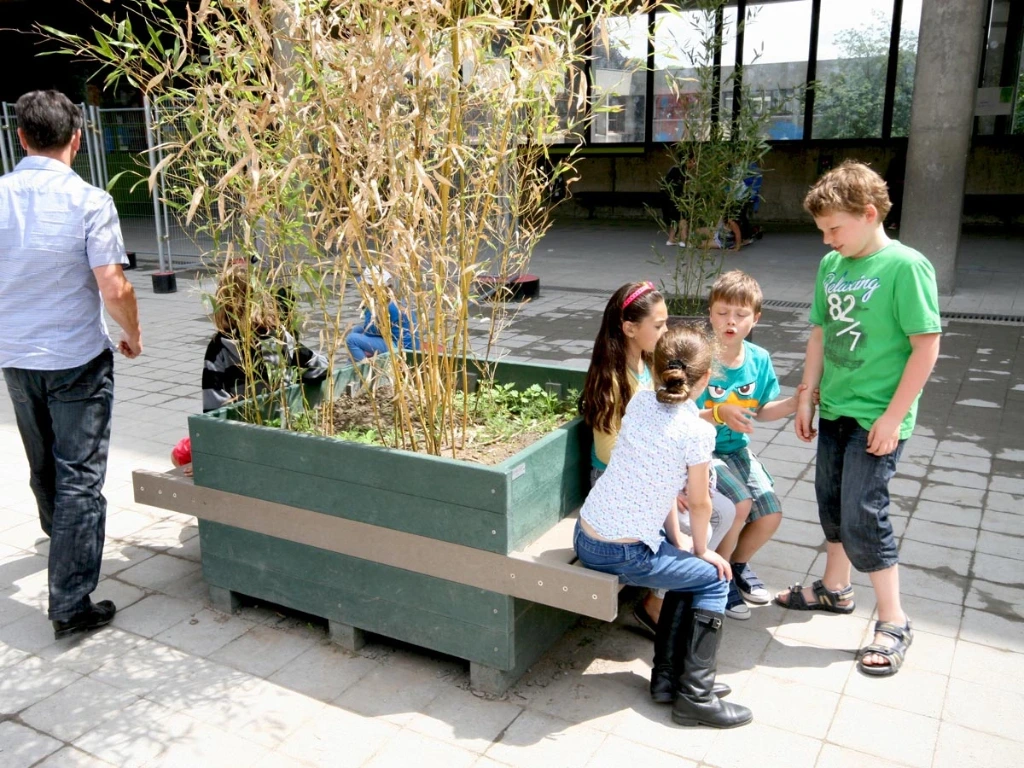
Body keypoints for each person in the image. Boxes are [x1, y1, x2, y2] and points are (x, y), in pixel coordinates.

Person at [779, 161, 941, 678]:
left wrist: (895, 417)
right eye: (823, 232)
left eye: (835, 229)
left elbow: (926, 348)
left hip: (879, 420)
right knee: (830, 502)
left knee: (864, 515)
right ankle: (835, 589)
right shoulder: (833, 267)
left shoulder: (906, 267)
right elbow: (820, 333)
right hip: (835, 410)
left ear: (869, 214)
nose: (828, 241)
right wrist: (807, 394)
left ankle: (894, 620)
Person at [0, 90, 142, 640]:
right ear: (77, 139)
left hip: (16, 357)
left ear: (21, 136)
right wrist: (132, 331)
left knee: (43, 463)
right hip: (77, 359)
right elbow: (112, 284)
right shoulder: (90, 200)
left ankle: (60, 541)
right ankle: (70, 601)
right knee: (80, 476)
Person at [574, 324, 752, 729]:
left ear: (656, 370)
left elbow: (670, 494)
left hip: (588, 532)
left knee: (690, 571)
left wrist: (681, 541)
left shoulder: (639, 403)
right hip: (622, 548)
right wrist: (703, 549)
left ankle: (669, 681)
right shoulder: (697, 433)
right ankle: (696, 695)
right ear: (706, 378)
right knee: (712, 578)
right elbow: (701, 501)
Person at [579, 282, 741, 632]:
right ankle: (659, 604)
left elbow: (666, 423)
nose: (665, 332)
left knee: (725, 510)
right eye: (659, 325)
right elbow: (613, 452)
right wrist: (670, 477)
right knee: (711, 524)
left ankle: (670, 601)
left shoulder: (649, 368)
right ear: (630, 329)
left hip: (640, 481)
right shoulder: (616, 380)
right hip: (616, 480)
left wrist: (711, 419)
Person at [698, 271, 805, 620]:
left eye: (741, 315)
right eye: (722, 312)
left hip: (736, 449)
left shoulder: (759, 359)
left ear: (755, 318)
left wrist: (793, 403)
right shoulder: (696, 356)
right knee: (740, 504)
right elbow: (678, 414)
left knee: (770, 512)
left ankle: (737, 564)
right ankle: (721, 577)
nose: (731, 321)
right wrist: (718, 412)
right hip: (700, 450)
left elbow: (762, 410)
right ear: (710, 313)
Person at [169, 262, 328, 475]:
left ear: (223, 301)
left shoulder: (219, 347)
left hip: (242, 441)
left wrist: (209, 458)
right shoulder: (280, 338)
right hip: (282, 429)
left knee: (179, 453)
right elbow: (321, 367)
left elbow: (215, 409)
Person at [346, 267, 419, 363]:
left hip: (402, 349)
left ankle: (365, 367)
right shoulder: (391, 299)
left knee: (351, 340)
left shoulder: (385, 307)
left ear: (372, 288)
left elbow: (370, 331)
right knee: (357, 330)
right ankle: (355, 363)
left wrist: (368, 309)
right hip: (396, 341)